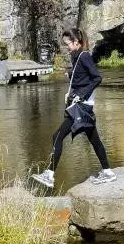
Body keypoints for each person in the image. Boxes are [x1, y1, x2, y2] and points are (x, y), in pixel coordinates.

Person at [32, 29, 115, 188]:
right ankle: (108, 172)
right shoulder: (78, 57)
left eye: (68, 44)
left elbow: (97, 78)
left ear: (77, 42)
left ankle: (49, 175)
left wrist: (81, 95)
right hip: (82, 106)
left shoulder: (84, 56)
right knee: (94, 140)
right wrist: (70, 75)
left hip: (81, 106)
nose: (66, 47)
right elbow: (83, 76)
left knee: (57, 136)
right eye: (65, 44)